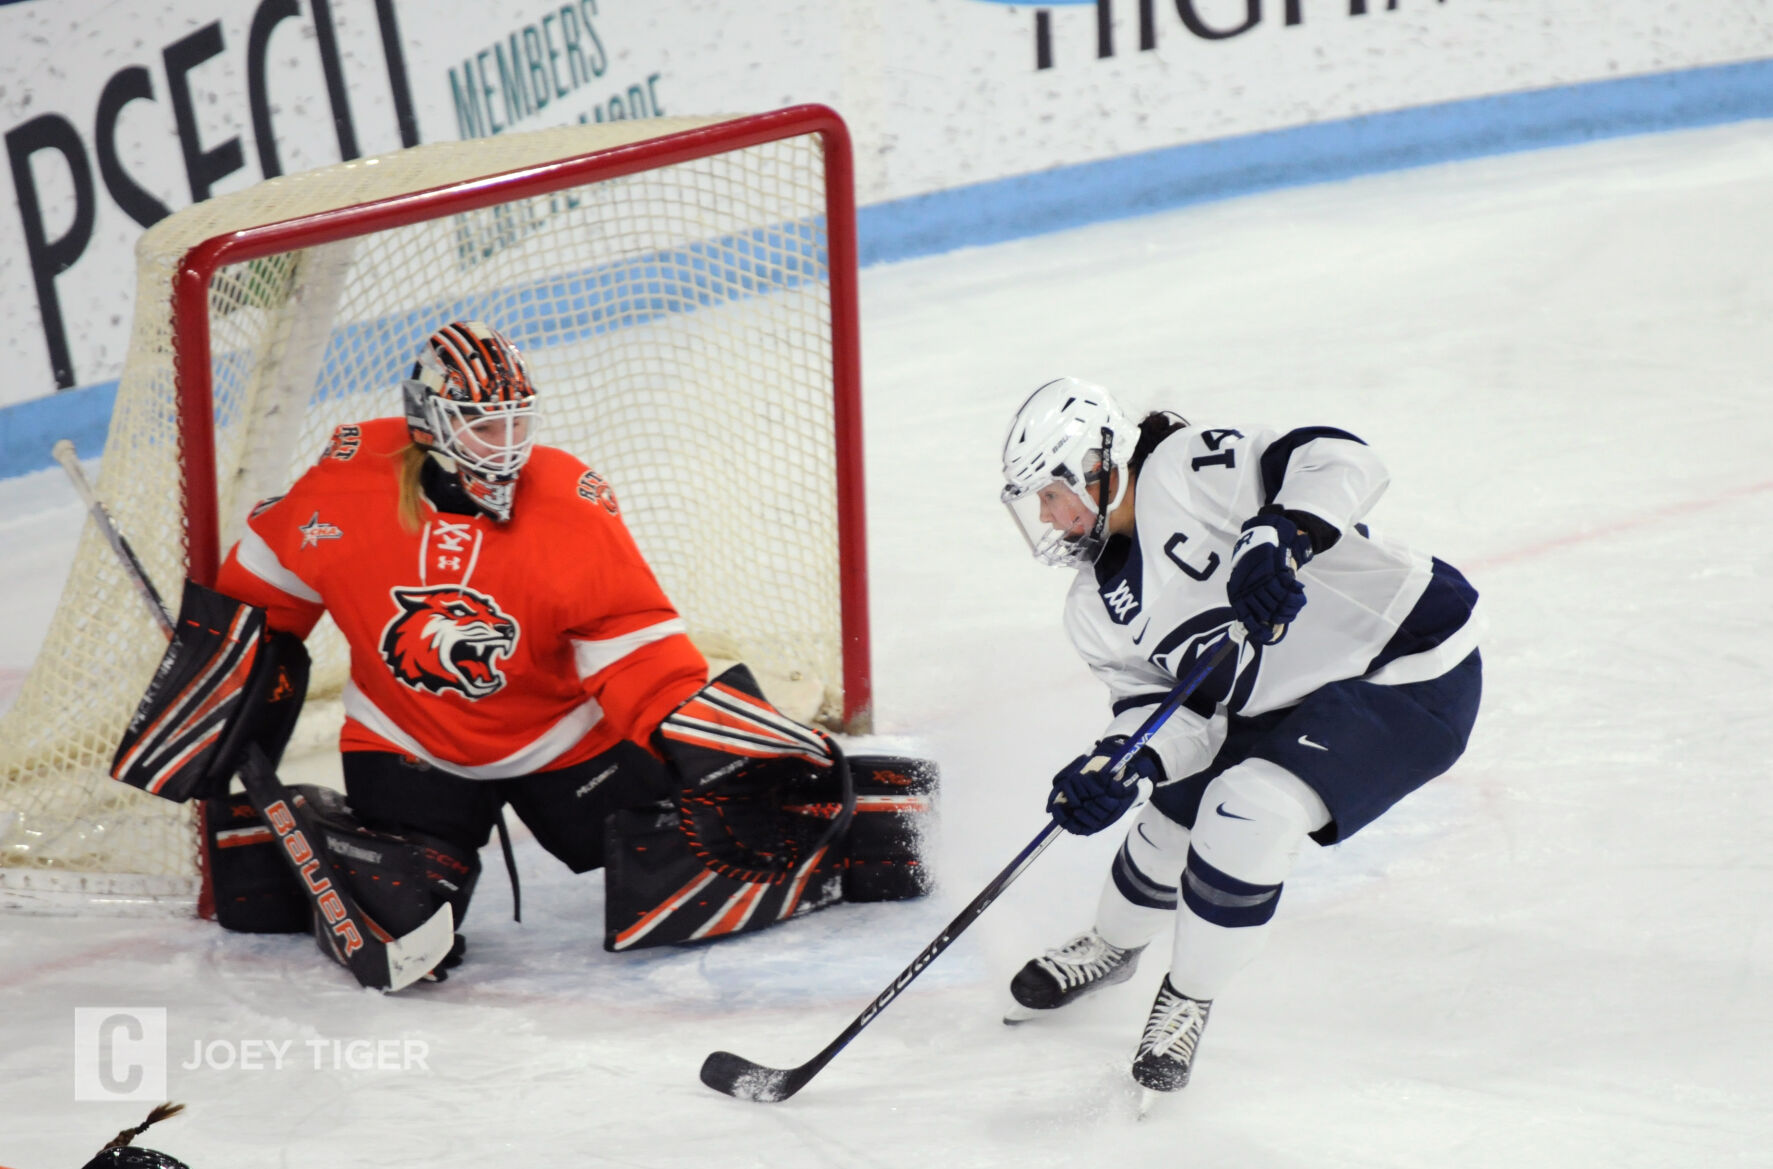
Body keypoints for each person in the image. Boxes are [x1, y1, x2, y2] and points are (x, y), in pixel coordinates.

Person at [205, 320, 838, 975]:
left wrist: (707, 745)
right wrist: (218, 687)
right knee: (406, 919)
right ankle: (323, 826)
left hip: (561, 740)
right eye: (483, 425)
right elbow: (261, 597)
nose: (506, 447)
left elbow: (633, 651)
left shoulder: (569, 503)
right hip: (406, 744)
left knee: (696, 850)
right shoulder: (347, 485)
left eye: (517, 422)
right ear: (429, 419)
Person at [997, 377, 1482, 1094]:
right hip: (1274, 699)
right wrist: (1117, 763)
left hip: (1404, 664)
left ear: (1096, 466)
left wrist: (1282, 530)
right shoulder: (1091, 609)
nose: (1044, 513)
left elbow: (1340, 458)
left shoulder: (1185, 466)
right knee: (1167, 815)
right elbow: (1171, 713)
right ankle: (1113, 944)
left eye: (1049, 490)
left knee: (1247, 808)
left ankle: (1187, 998)